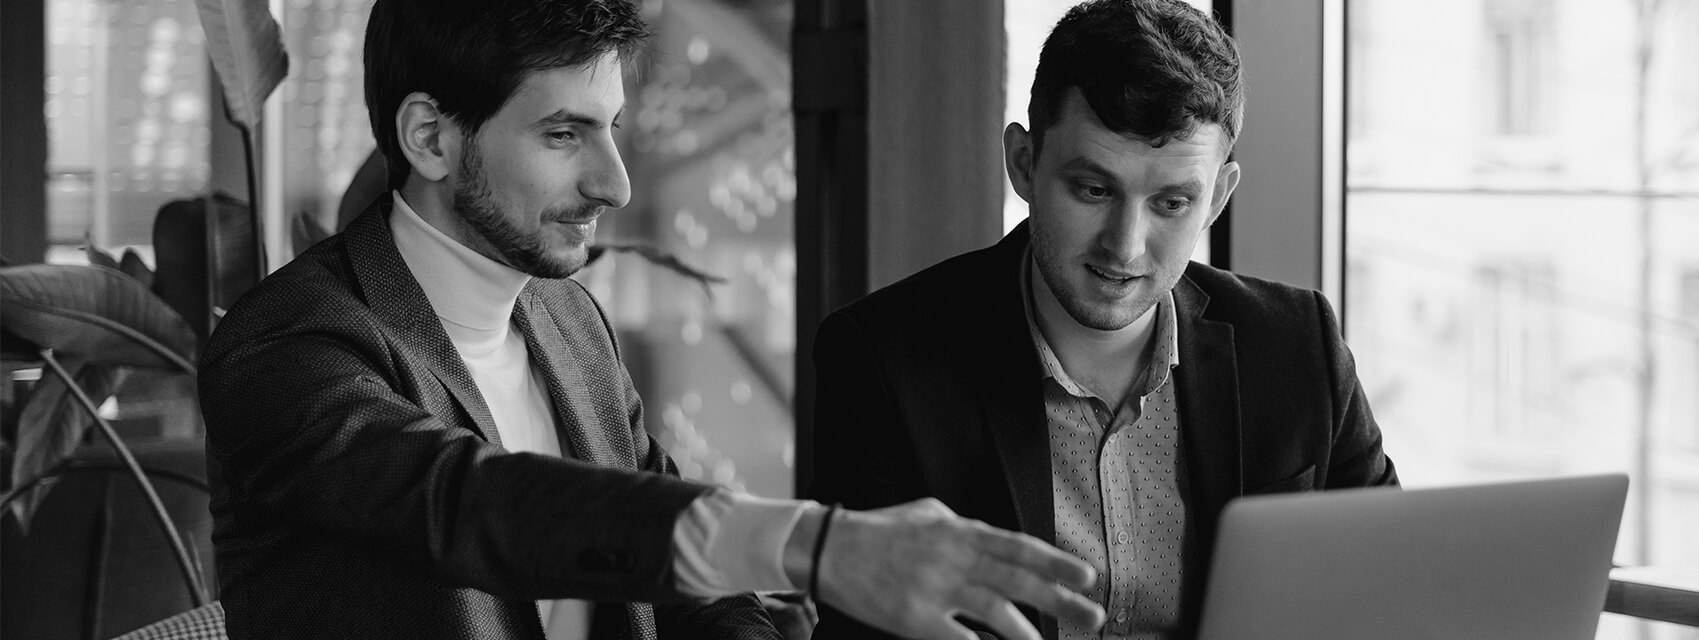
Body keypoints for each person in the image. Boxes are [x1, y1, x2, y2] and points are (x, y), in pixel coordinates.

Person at [197, 1, 1103, 639]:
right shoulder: (287, 347)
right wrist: (813, 545)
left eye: (612, 127)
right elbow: (473, 505)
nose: (615, 183)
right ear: (431, 137)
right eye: (564, 134)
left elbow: (678, 586)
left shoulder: (567, 320)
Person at [808, 1, 1400, 638]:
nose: (1125, 246)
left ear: (1217, 199)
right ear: (1024, 164)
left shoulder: (1298, 344)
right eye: (1094, 190)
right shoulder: (883, 361)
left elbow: (1397, 585)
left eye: (1172, 203)